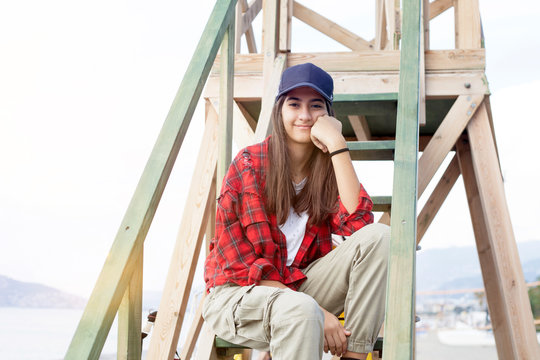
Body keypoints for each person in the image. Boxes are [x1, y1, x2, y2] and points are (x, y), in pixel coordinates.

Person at [203, 63, 390, 360]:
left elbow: (360, 227)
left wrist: (338, 145)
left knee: (381, 236)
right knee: (302, 310)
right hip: (238, 295)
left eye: (315, 106)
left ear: (328, 115)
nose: (304, 115)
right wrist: (316, 309)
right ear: (280, 110)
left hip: (298, 289)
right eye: (294, 104)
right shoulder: (250, 164)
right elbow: (241, 268)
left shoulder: (328, 168)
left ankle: (354, 356)